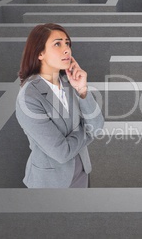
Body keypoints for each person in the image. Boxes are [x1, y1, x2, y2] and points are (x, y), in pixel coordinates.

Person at [15, 23, 104, 188]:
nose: (66, 50)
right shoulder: (29, 97)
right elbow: (62, 152)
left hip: (82, 173)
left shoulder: (68, 82)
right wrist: (87, 131)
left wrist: (83, 91)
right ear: (40, 53)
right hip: (52, 183)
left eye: (67, 43)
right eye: (57, 44)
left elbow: (97, 126)